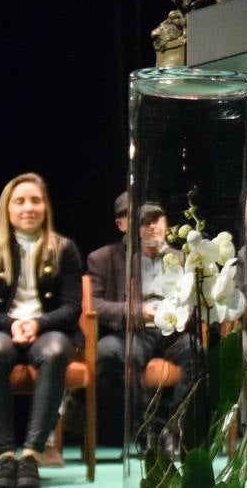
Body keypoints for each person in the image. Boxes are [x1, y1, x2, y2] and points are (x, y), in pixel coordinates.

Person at [0, 173, 83, 488]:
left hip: (49, 331)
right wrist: (12, 324)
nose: (28, 207)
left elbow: (72, 309)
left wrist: (37, 324)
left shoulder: (64, 249)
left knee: (57, 350)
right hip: (0, 331)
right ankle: (6, 457)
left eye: (35, 200)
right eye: (20, 201)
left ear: (45, 207)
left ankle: (30, 455)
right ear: (7, 208)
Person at [86, 192, 187, 457]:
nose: (153, 226)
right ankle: (147, 430)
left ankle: (171, 430)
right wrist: (138, 311)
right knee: (108, 353)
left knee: (199, 352)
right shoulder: (103, 258)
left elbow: (199, 299)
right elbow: (94, 305)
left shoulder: (184, 257)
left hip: (173, 332)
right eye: (144, 221)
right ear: (123, 224)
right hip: (133, 331)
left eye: (157, 219)